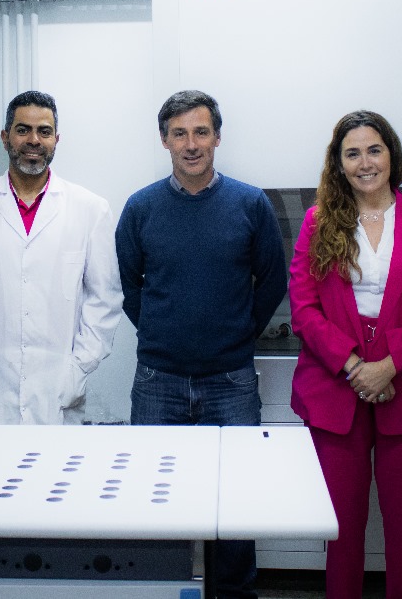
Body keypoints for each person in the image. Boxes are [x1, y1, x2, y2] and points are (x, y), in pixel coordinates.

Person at [115, 89, 286, 599]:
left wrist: (235, 334)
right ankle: (159, 591)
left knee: (233, 503)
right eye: (180, 133)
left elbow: (272, 282)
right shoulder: (141, 207)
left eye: (201, 132)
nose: (192, 144)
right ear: (164, 140)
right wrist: (163, 332)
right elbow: (128, 286)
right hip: (157, 382)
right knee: (154, 498)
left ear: (217, 136)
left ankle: (233, 595)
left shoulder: (250, 204)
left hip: (230, 382)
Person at [288, 110, 402, 599]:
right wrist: (352, 366)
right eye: (353, 153)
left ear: (392, 155)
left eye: (374, 149)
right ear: (339, 164)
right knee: (340, 529)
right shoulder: (319, 222)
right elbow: (303, 306)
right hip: (334, 387)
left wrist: (388, 366)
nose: (365, 162)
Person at [0, 91, 123, 424]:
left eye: (44, 131)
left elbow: (105, 298)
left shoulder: (89, 209)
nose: (34, 140)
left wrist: (80, 365)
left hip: (61, 380)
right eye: (23, 129)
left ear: (57, 139)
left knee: (59, 472)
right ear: (5, 137)